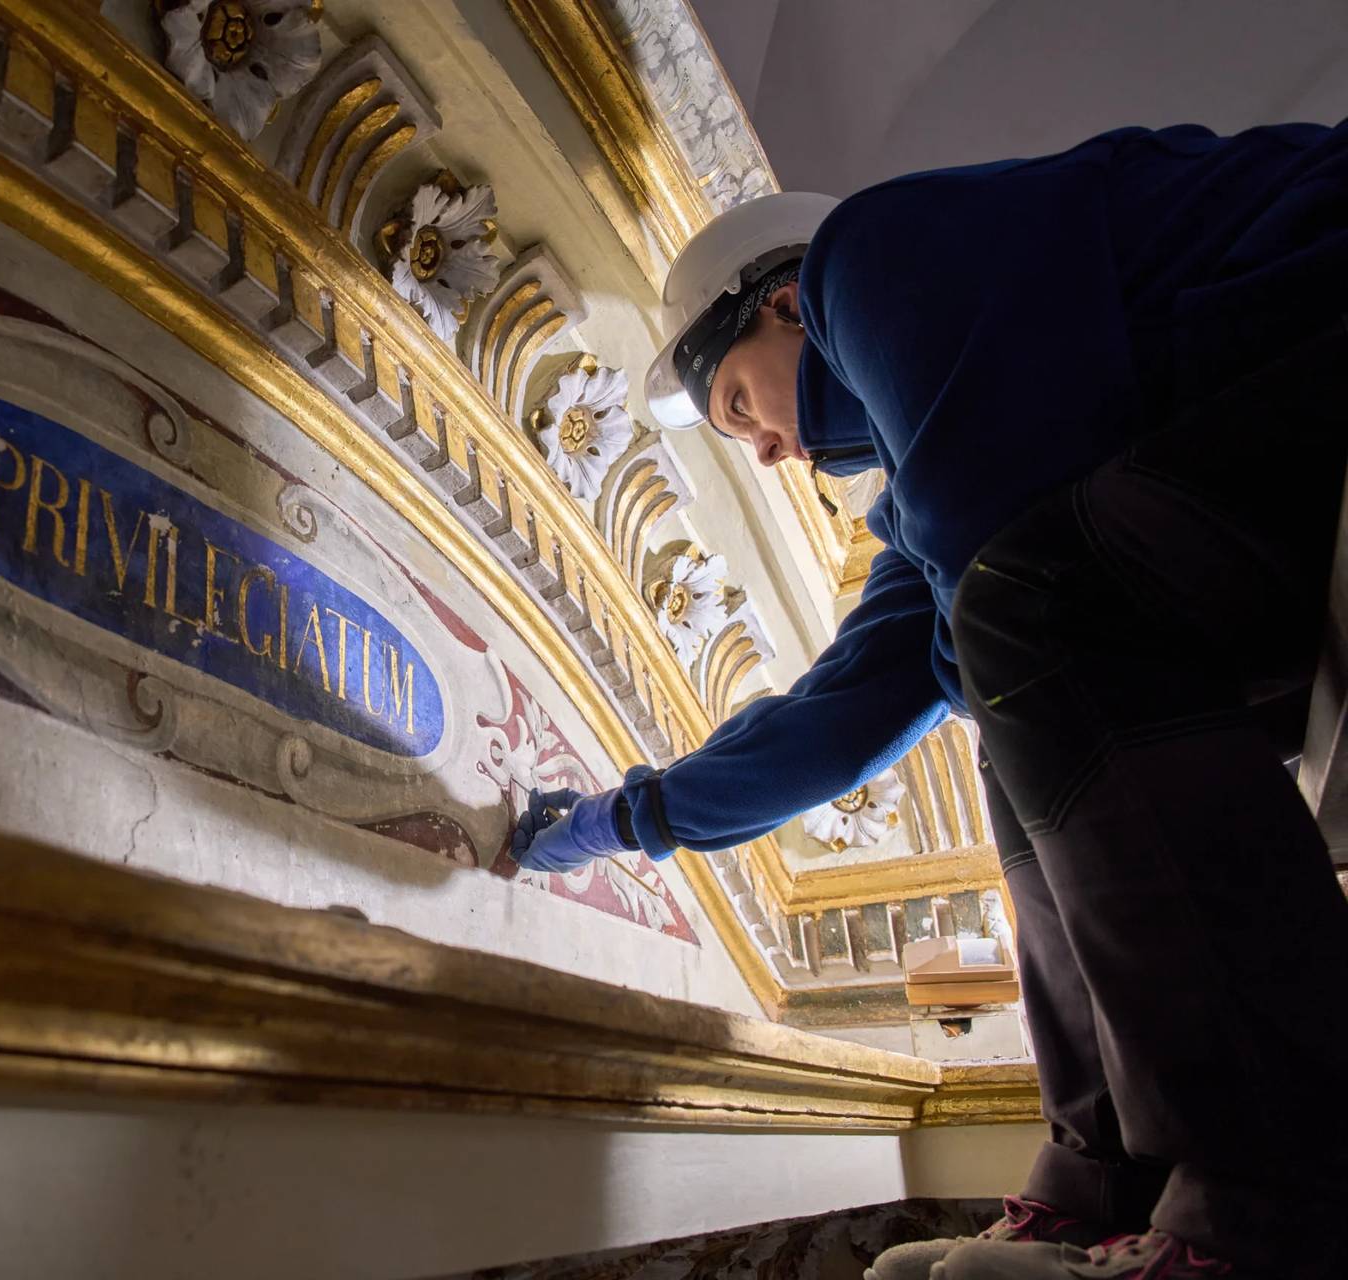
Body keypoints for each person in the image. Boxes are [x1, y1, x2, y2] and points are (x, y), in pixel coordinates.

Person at [509, 119, 1348, 1280]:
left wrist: (965, 648)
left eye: (741, 404)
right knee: (1015, 677)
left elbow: (989, 584)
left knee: (1019, 627)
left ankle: (1278, 1192)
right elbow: (836, 722)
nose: (762, 451)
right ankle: (1109, 1178)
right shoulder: (925, 496)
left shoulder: (873, 255)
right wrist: (611, 821)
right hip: (1263, 484)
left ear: (789, 305)